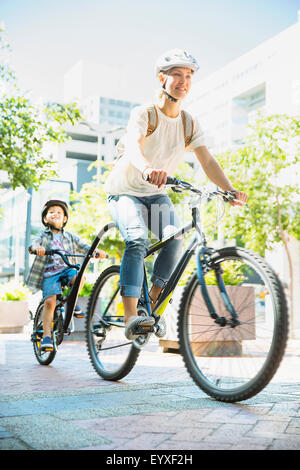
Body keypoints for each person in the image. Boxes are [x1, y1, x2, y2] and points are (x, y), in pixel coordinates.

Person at [104, 48, 248, 340]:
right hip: (125, 191)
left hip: (156, 194)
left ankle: (151, 305)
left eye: (189, 76)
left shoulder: (189, 123)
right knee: (137, 238)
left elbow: (207, 160)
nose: (184, 81)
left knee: (175, 238)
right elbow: (134, 143)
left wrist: (228, 189)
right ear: (162, 78)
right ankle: (131, 316)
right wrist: (146, 168)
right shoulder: (144, 114)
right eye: (178, 75)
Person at [26, 199, 106, 351]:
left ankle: (71, 303)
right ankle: (46, 337)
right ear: (45, 218)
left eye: (59, 212)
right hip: (49, 274)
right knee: (50, 303)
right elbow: (34, 243)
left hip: (66, 270)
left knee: (79, 276)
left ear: (65, 219)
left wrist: (95, 252)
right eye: (51, 212)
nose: (55, 214)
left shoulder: (70, 236)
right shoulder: (43, 235)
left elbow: (84, 247)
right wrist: (37, 248)